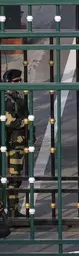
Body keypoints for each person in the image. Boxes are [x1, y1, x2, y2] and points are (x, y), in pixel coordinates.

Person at [2, 69, 29, 217]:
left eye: (20, 80)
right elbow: (8, 120)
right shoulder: (6, 99)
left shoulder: (17, 97)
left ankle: (13, 209)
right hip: (10, 143)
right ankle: (4, 210)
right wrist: (24, 123)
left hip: (18, 142)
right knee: (8, 178)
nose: (19, 83)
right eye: (16, 81)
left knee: (15, 178)